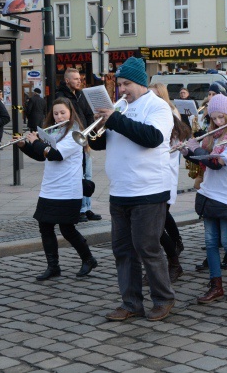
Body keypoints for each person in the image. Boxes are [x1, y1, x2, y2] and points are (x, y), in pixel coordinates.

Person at [92, 56, 176, 322]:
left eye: (127, 84)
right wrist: (98, 128)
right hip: (120, 190)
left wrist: (115, 119)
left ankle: (163, 299)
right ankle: (131, 303)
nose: (122, 90)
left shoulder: (158, 107)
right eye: (119, 85)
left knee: (147, 247)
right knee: (123, 250)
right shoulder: (120, 107)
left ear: (140, 83)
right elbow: (99, 145)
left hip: (149, 190)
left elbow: (151, 138)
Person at [17, 98, 98, 280]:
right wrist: (24, 146)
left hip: (68, 188)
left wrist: (36, 141)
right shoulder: (54, 131)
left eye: (62, 112)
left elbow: (56, 155)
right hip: (50, 187)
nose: (59, 116)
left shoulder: (75, 133)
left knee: (67, 229)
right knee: (45, 227)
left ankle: (88, 258)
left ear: (70, 113)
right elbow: (42, 156)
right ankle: (53, 266)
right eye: (55, 113)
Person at [183, 94, 227, 304]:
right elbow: (203, 159)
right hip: (209, 191)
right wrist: (187, 151)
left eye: (222, 117)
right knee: (210, 242)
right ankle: (216, 285)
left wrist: (197, 149)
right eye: (215, 118)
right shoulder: (214, 135)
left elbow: (217, 163)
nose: (218, 122)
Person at [149, 82, 191, 283]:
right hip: (146, 179)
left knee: (156, 224)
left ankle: (173, 259)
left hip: (163, 178)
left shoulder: (169, 114)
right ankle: (169, 257)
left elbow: (173, 149)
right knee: (154, 225)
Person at [56, 69, 100, 223]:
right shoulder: (61, 96)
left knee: (87, 174)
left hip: (84, 138)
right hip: (72, 139)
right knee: (78, 175)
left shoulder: (81, 94)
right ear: (67, 80)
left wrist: (88, 132)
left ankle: (86, 207)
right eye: (75, 79)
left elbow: (88, 113)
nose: (79, 81)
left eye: (79, 78)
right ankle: (79, 209)